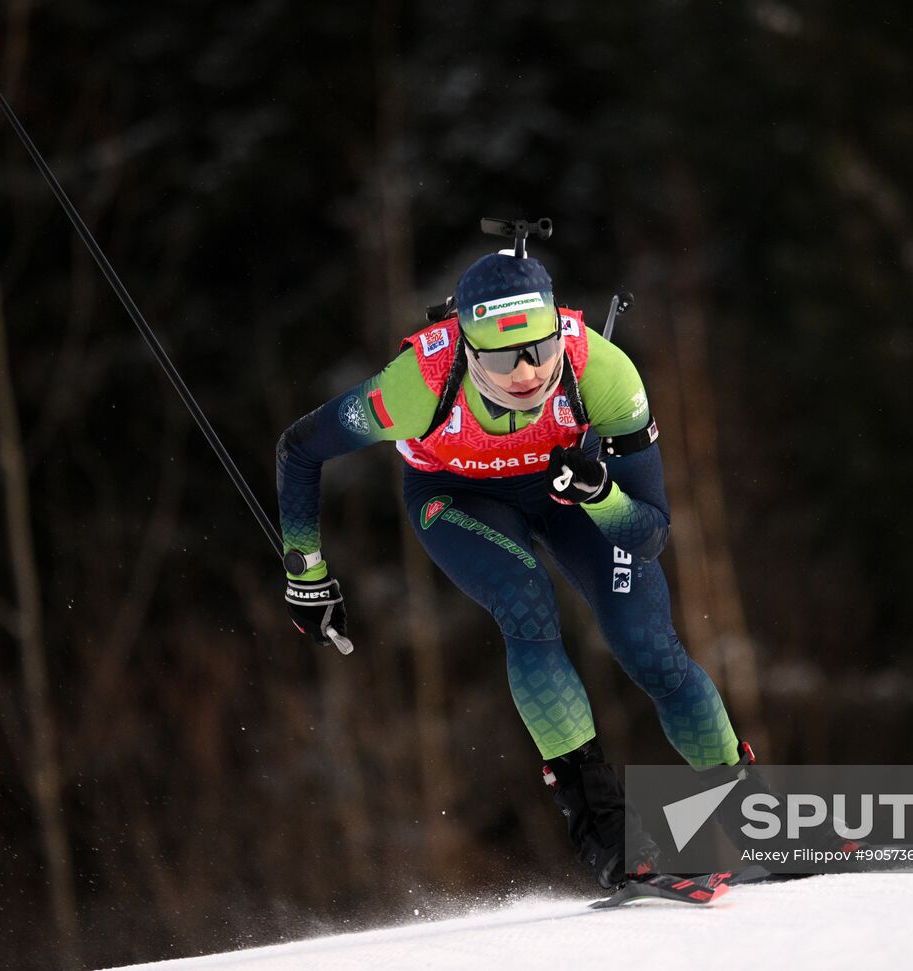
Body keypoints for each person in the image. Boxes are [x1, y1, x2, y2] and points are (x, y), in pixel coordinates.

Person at [274, 242, 754, 890]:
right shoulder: (414, 386)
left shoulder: (605, 372)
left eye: (540, 348)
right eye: (502, 357)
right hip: (458, 494)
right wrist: (305, 571)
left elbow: (650, 534)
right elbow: (299, 449)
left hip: (569, 491)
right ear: (467, 351)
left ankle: (747, 812)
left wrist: (598, 492)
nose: (527, 371)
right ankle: (607, 832)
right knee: (526, 601)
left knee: (648, 643)